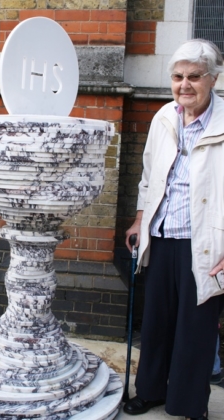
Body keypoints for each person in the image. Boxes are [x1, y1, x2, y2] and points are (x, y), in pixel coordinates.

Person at [124, 38, 224, 420]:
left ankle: (187, 404)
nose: (185, 85)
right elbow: (149, 176)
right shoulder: (164, 117)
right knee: (157, 323)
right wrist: (138, 219)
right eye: (178, 77)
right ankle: (149, 390)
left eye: (194, 77)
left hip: (205, 242)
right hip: (162, 236)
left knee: (195, 331)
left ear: (212, 79)